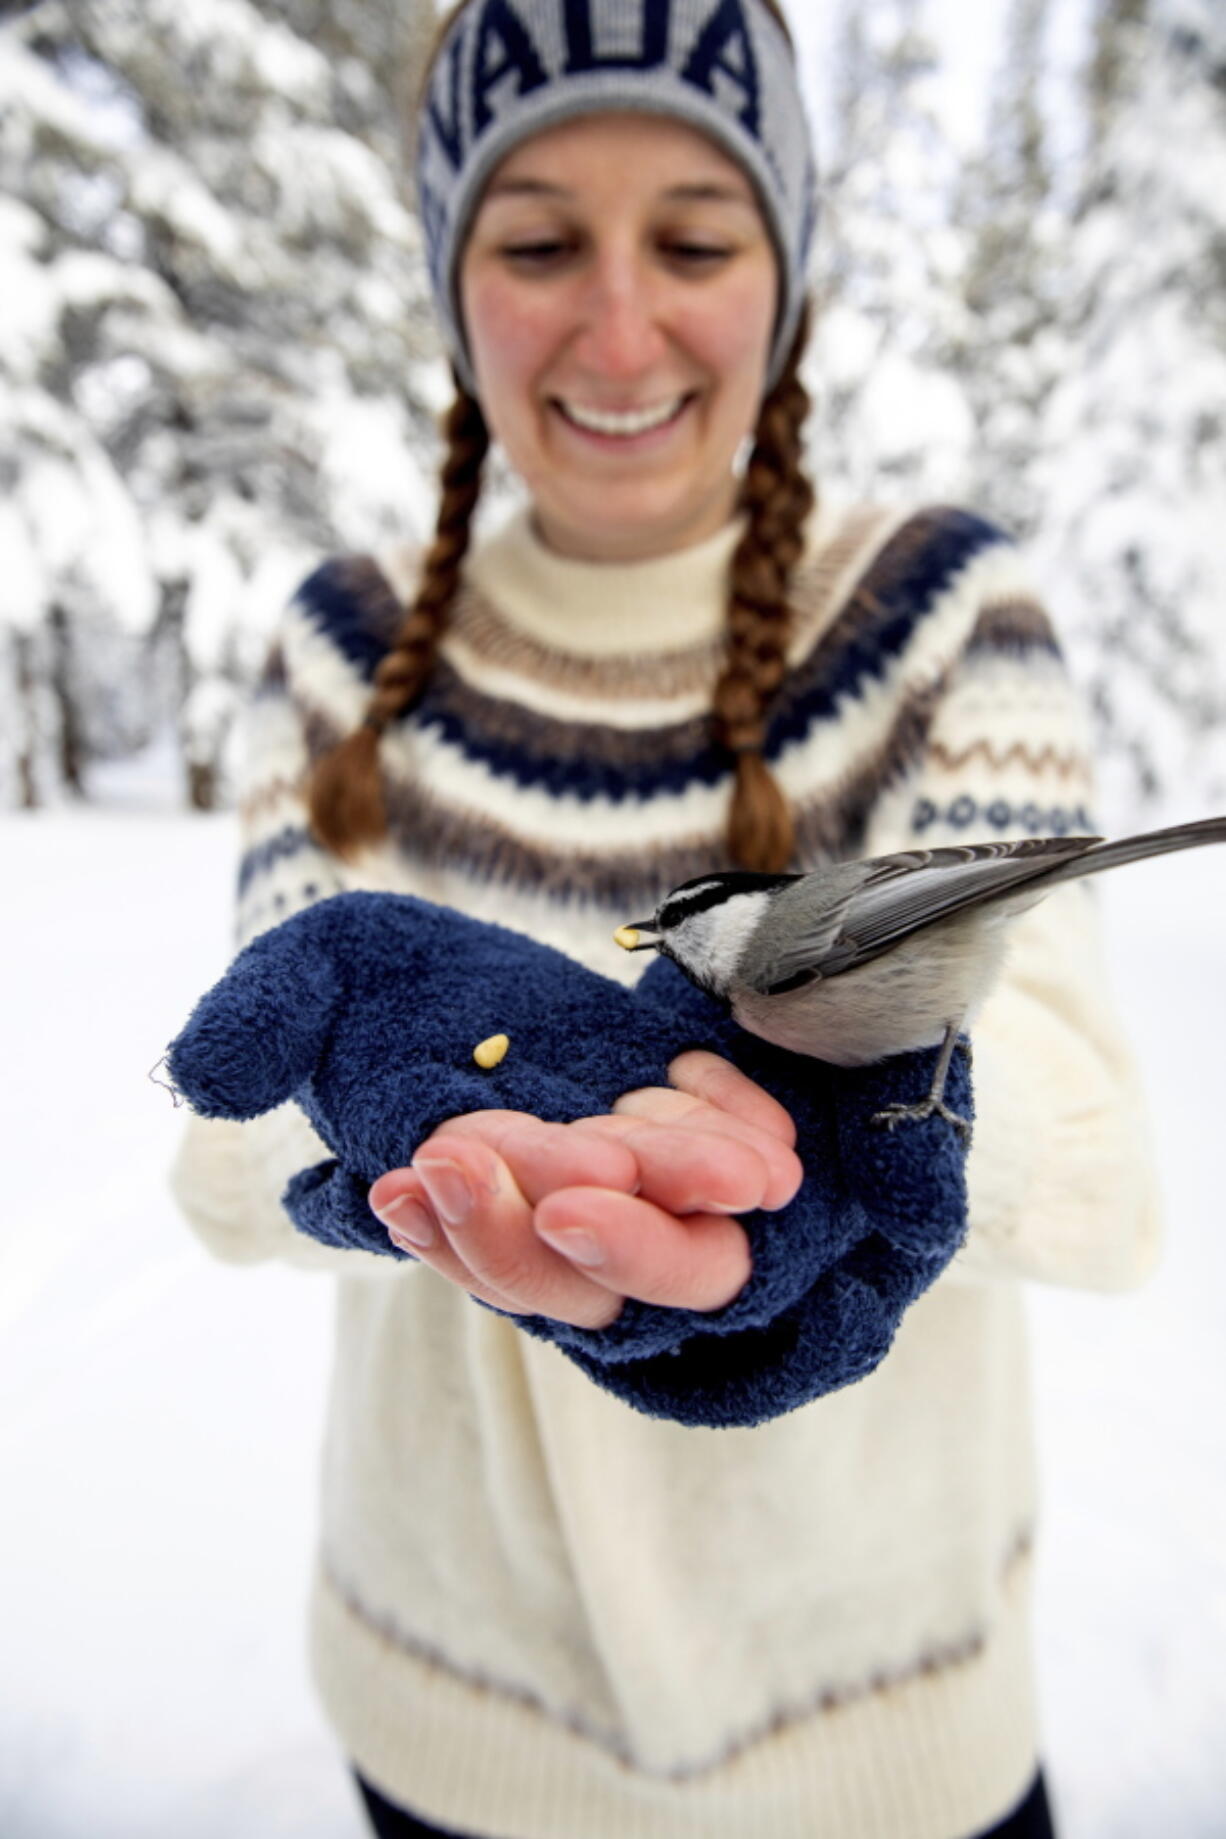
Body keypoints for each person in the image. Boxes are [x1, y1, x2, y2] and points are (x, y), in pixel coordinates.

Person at [170, 2, 1160, 1835]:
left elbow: (1096, 1170)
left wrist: (866, 1128)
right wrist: (397, 1119)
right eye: (539, 242)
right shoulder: (342, 644)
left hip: (888, 1723)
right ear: (449, 276)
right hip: (453, 1708)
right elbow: (228, 1162)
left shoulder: (935, 606)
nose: (617, 328)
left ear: (780, 273)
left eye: (692, 241)